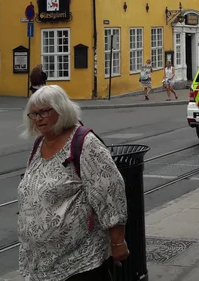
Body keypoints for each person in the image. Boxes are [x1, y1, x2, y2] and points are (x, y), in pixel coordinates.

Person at [18, 86, 128, 281]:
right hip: (40, 265)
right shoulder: (39, 144)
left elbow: (111, 192)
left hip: (80, 264)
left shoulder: (85, 143)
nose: (38, 118)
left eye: (44, 111)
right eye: (34, 113)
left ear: (61, 109)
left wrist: (118, 243)